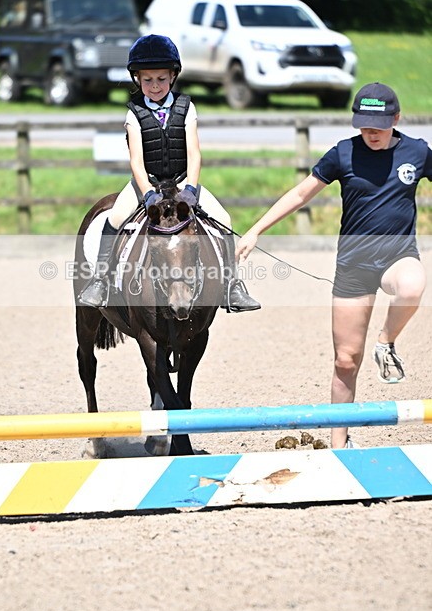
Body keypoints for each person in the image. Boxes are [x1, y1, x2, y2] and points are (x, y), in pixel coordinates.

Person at [236, 82, 432, 448]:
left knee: (412, 286)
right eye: (364, 124)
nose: (371, 132)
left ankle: (386, 343)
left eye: (379, 125)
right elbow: (299, 194)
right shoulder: (343, 153)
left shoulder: (417, 152)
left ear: (397, 118)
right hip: (353, 267)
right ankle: (339, 444)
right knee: (345, 360)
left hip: (397, 257)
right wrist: (256, 230)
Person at [79, 33, 260, 313]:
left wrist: (191, 189)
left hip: (182, 180)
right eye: (147, 79)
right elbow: (136, 162)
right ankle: (101, 281)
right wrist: (148, 194)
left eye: (161, 79)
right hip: (146, 183)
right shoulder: (134, 113)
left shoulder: (187, 107)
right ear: (137, 79)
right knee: (114, 218)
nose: (155, 86)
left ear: (173, 76)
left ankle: (231, 285)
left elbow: (195, 154)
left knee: (224, 219)